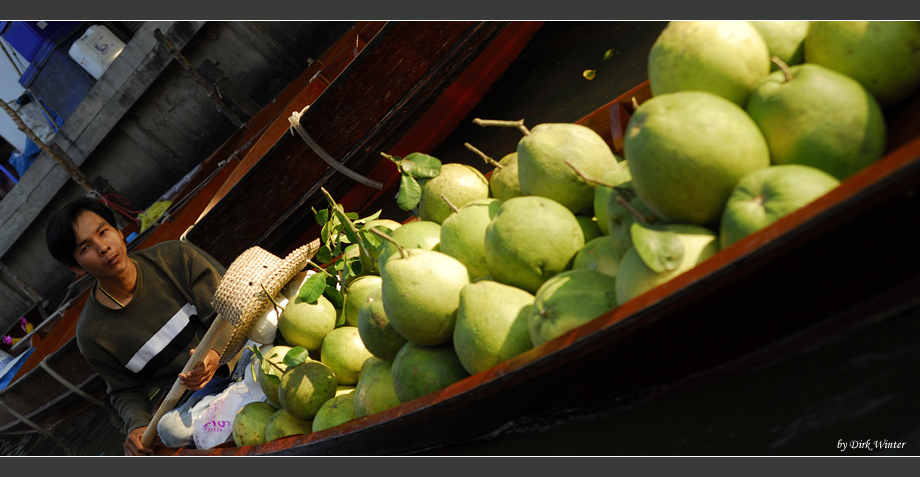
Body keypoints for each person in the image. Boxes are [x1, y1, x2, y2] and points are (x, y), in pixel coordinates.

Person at [45, 197, 244, 455]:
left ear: (118, 231)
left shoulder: (174, 256)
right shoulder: (92, 334)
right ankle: (241, 404)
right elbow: (124, 390)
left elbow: (229, 311)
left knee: (272, 322)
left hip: (241, 354)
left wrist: (215, 355)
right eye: (85, 248)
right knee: (170, 431)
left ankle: (241, 400)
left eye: (103, 232)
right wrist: (137, 426)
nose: (103, 247)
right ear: (76, 267)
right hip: (200, 398)